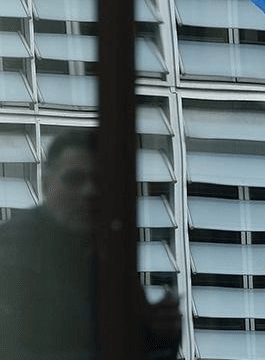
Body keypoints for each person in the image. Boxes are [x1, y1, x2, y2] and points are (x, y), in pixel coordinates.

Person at [0, 130, 182, 360]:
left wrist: (161, 332)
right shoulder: (14, 247)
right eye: (74, 179)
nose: (89, 191)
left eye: (100, 181)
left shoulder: (108, 250)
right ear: (46, 184)